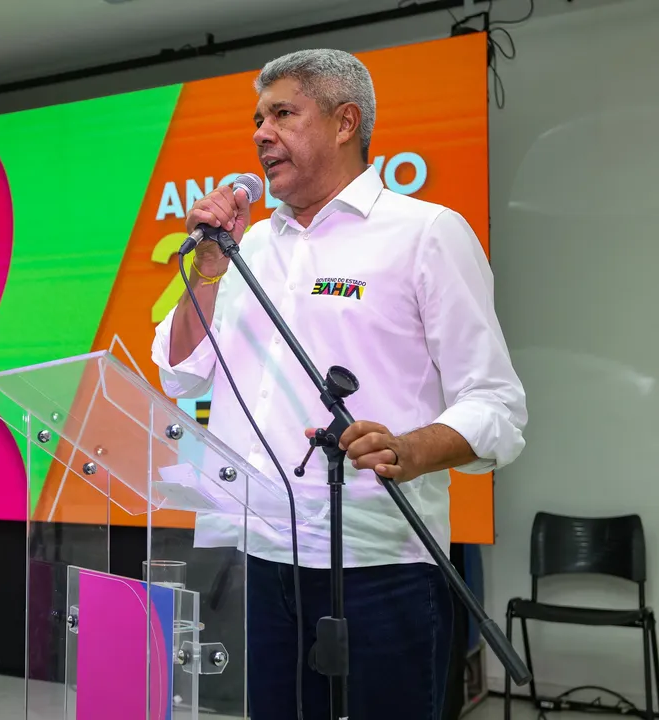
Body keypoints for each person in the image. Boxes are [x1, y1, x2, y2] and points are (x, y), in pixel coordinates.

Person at [150, 48, 527, 720]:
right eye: (257, 119)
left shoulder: (424, 234)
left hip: (379, 562)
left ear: (346, 121)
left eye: (283, 113)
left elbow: (497, 405)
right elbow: (179, 373)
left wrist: (410, 449)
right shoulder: (247, 248)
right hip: (257, 557)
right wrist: (206, 263)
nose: (261, 133)